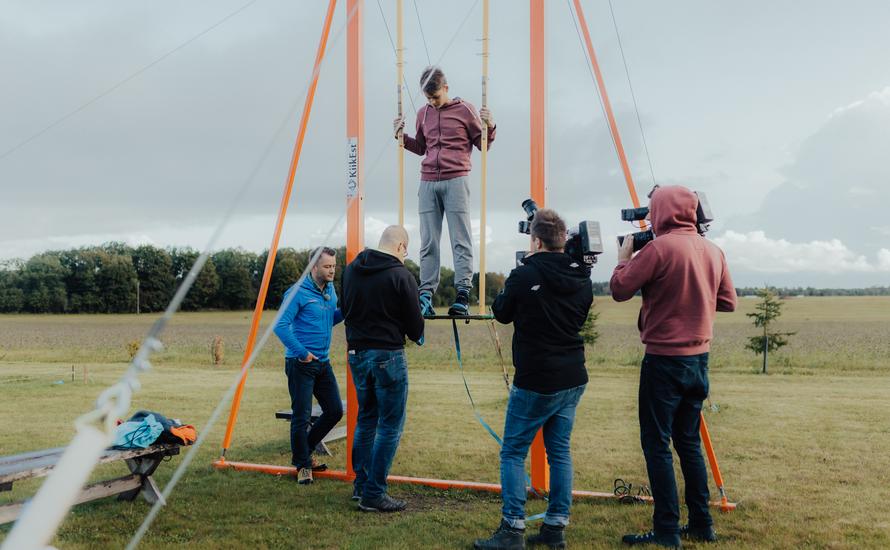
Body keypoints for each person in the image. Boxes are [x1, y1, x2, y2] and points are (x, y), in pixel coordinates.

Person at [610, 185, 736, 548]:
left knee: (656, 444)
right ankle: (701, 522)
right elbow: (727, 302)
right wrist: (694, 297)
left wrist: (623, 256)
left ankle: (667, 530)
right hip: (699, 361)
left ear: (662, 211)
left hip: (664, 360)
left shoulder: (658, 248)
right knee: (688, 443)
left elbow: (619, 288)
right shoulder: (713, 250)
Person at [474, 209, 593, 550]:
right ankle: (555, 527)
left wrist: (524, 270)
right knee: (560, 453)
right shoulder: (581, 276)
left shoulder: (524, 274)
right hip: (572, 375)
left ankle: (512, 529)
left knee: (512, 451)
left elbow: (501, 312)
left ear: (536, 240)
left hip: (537, 378)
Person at [393, 65, 496, 317]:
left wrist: (490, 126)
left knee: (460, 238)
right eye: (428, 98)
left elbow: (482, 144)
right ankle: (425, 294)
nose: (432, 102)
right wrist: (401, 137)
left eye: (436, 97)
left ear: (446, 88)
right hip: (427, 181)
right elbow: (420, 147)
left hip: (456, 179)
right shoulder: (423, 113)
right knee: (428, 241)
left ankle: (462, 293)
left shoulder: (465, 110)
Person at [341, 225, 425, 512]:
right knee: (390, 426)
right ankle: (374, 493)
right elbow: (416, 329)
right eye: (406, 250)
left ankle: (361, 486)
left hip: (356, 353)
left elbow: (346, 308)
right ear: (401, 246)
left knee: (366, 419)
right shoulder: (401, 275)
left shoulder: (351, 269)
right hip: (387, 355)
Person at [273, 246, 345, 485]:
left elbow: (328, 319)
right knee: (301, 416)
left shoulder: (330, 290)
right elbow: (280, 326)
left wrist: (345, 311)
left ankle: (303, 452)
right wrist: (302, 353)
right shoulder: (297, 292)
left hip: (323, 363)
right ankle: (303, 466)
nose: (332, 270)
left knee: (334, 410)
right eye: (327, 266)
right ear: (313, 267)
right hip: (300, 363)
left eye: (334, 266)